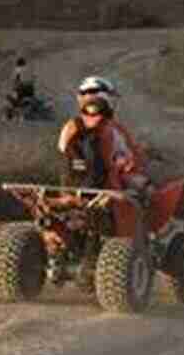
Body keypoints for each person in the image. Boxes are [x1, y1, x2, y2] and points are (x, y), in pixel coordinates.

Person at [57, 76, 152, 237]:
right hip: (107, 188)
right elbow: (131, 159)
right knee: (147, 188)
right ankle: (144, 237)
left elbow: (62, 150)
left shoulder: (70, 126)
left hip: (69, 189)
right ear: (106, 98)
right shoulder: (113, 128)